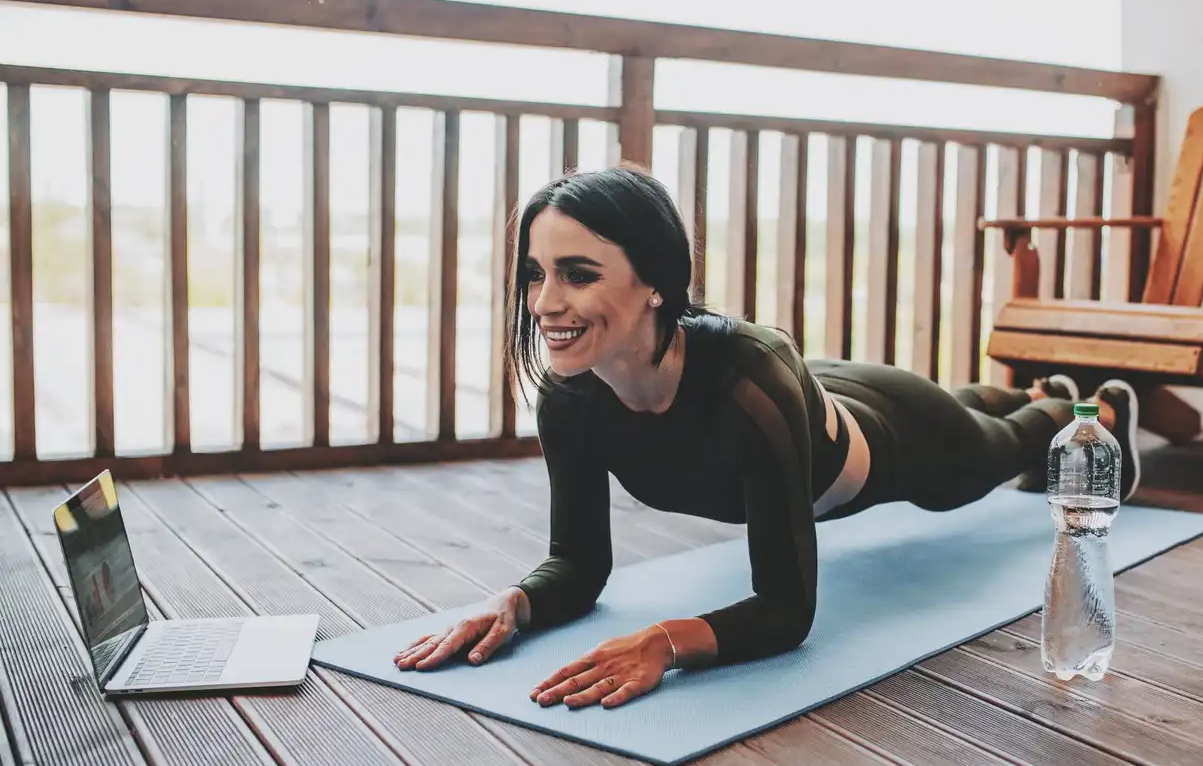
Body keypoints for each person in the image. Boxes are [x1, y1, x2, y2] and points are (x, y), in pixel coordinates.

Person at [393, 166, 1140, 709]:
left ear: (655, 279)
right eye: (534, 274)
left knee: (985, 457)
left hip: (895, 435)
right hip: (814, 393)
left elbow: (788, 608)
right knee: (967, 409)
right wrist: (514, 605)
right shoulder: (570, 398)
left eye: (578, 274)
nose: (545, 303)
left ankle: (1082, 412)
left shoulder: (746, 386)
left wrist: (664, 642)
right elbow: (578, 563)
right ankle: (1030, 396)